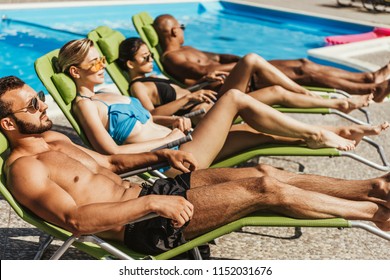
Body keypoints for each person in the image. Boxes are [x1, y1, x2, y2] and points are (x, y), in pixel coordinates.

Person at [1, 76, 389, 256]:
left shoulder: (53, 139)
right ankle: (373, 213)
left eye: (39, 97)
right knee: (263, 192)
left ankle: (376, 188)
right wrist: (152, 205)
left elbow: (111, 161)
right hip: (142, 225)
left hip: (151, 193)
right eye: (32, 106)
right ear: (7, 124)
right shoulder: (24, 169)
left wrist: (160, 155)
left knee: (263, 174)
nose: (42, 105)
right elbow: (75, 220)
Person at [56, 38, 389, 175]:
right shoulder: (85, 105)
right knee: (234, 98)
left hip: (184, 140)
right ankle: (326, 128)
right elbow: (113, 155)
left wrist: (175, 123)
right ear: (75, 71)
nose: (102, 65)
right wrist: (170, 138)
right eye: (95, 61)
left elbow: (150, 120)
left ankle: (331, 130)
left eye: (101, 59)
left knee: (256, 130)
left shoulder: (108, 95)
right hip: (172, 160)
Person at [118, 37, 372, 122]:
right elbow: (152, 116)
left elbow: (181, 92)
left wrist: (202, 82)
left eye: (150, 55)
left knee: (275, 90)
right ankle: (319, 98)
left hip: (213, 97)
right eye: (144, 58)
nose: (150, 59)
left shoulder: (152, 77)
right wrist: (194, 96)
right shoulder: (138, 86)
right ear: (130, 64)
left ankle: (333, 103)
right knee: (250, 60)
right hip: (208, 111)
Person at [153, 14, 390, 103]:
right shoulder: (172, 58)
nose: (184, 29)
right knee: (303, 74)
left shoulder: (189, 48)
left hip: (243, 68)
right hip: (240, 81)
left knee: (303, 63)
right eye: (181, 26)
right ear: (173, 31)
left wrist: (236, 58)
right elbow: (206, 73)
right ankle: (369, 89)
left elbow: (216, 57)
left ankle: (367, 76)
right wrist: (242, 63)